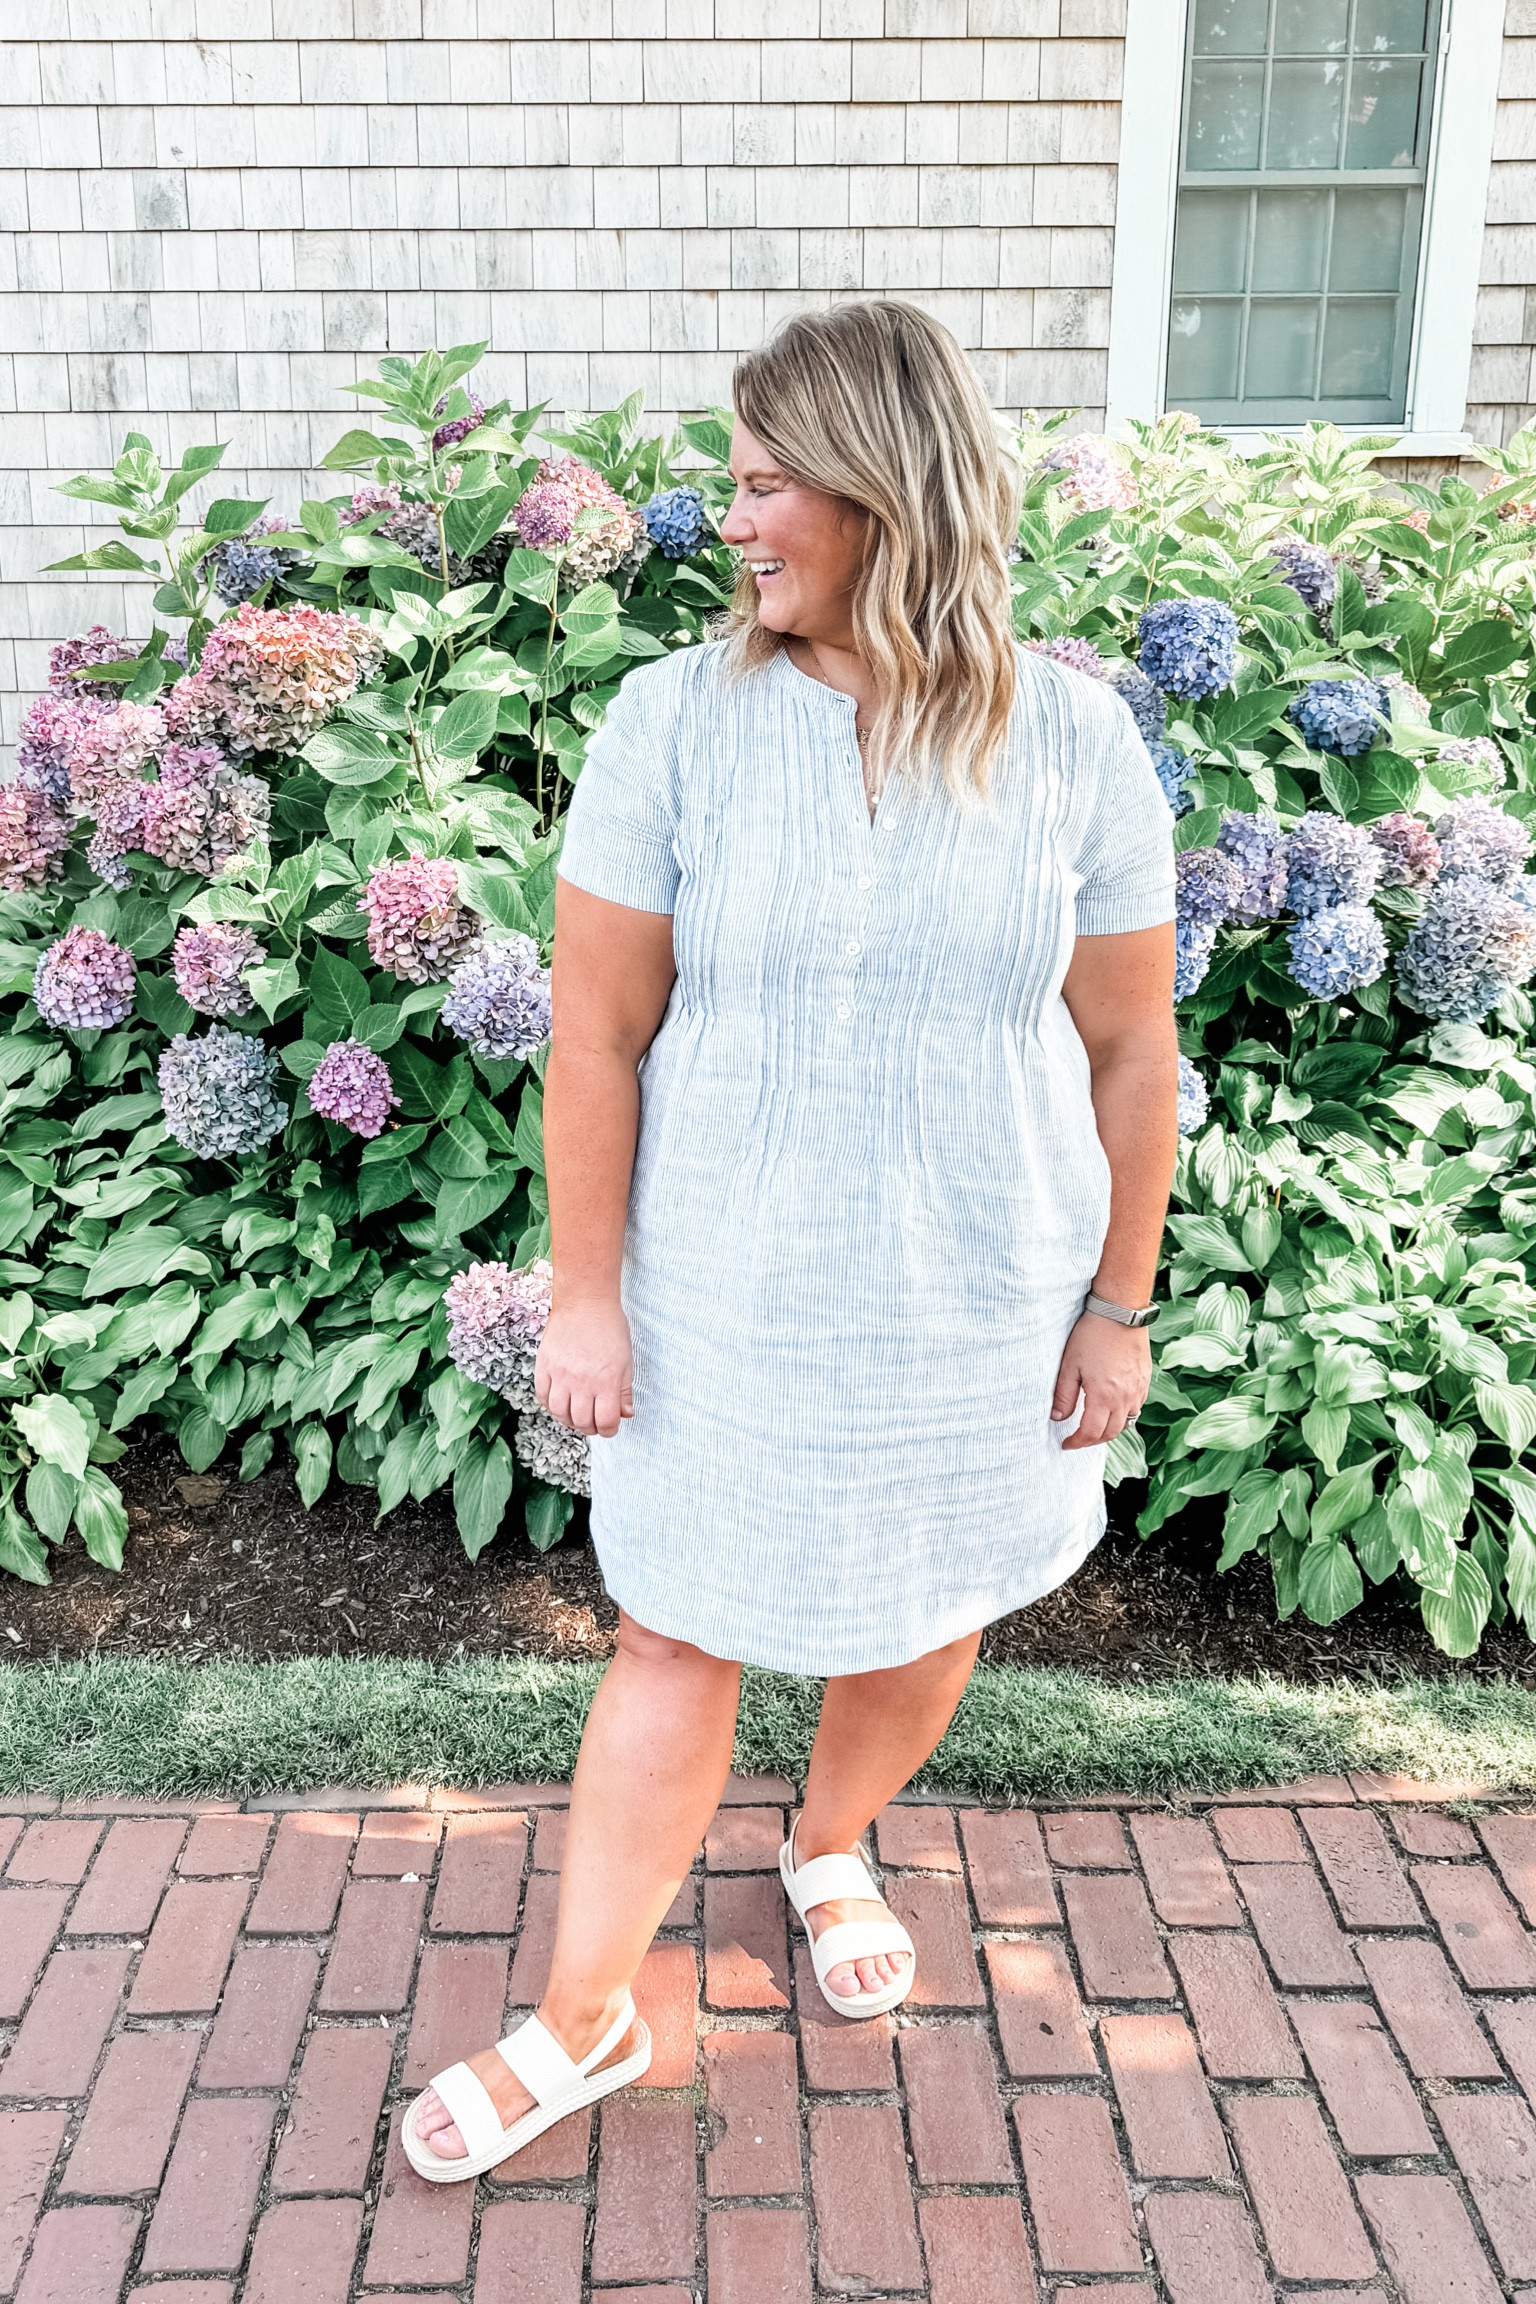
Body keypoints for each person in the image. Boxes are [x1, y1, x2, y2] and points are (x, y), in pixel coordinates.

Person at [404, 298, 1177, 2179]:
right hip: (727, 1290)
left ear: (882, 490)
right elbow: (595, 1033)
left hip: (978, 1297)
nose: (731, 518)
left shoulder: (1072, 742)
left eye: (766, 483)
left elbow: (1134, 1044)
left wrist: (1116, 1304)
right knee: (677, 1630)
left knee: (926, 1610)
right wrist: (583, 1291)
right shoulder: (672, 722)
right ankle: (587, 2013)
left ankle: (827, 1841)